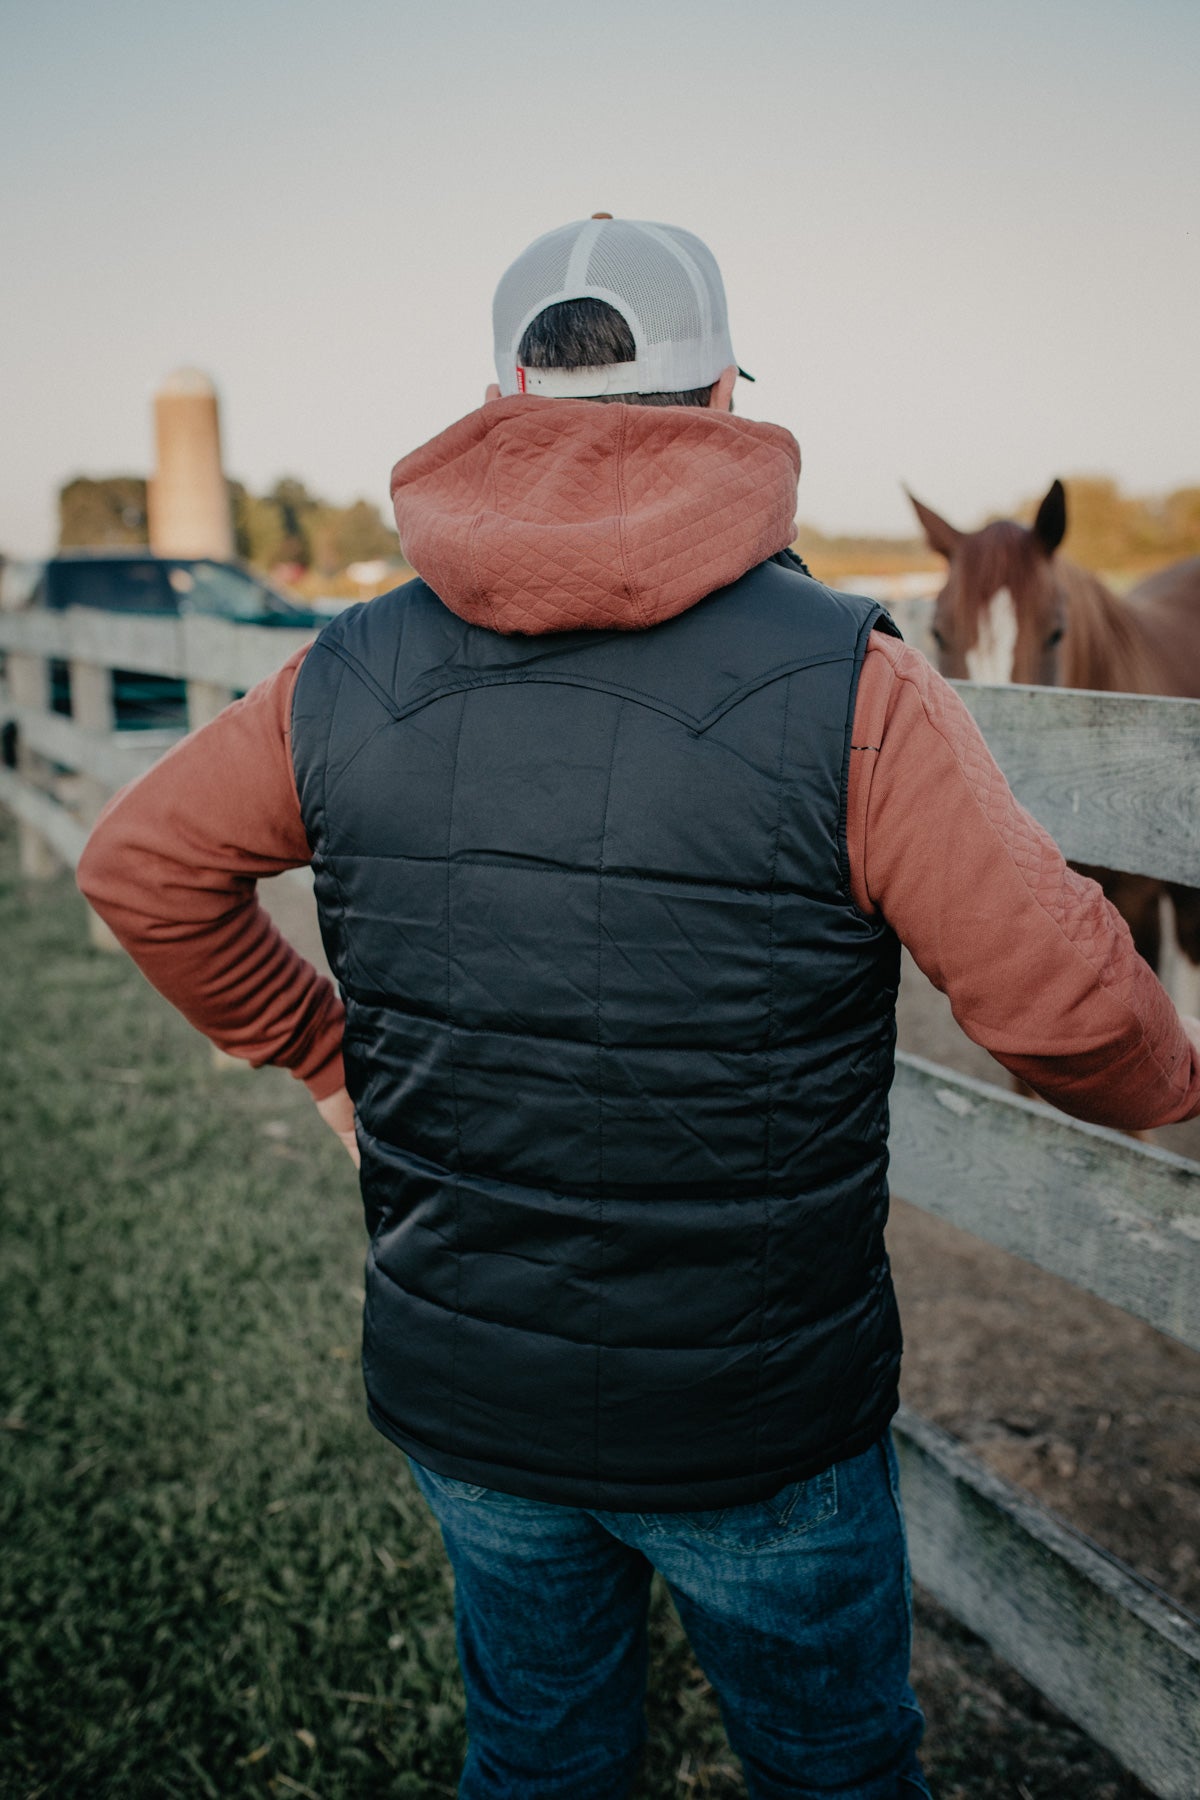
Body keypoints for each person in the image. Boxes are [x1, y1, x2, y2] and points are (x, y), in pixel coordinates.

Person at [77, 215, 1200, 1800]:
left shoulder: (345, 666)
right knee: (835, 1771)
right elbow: (1077, 1013)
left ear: (503, 392)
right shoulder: (853, 682)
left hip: (471, 1401)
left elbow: (142, 868)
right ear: (729, 395)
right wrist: (1176, 1078)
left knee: (538, 1756)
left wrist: (319, 1052)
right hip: (760, 1427)